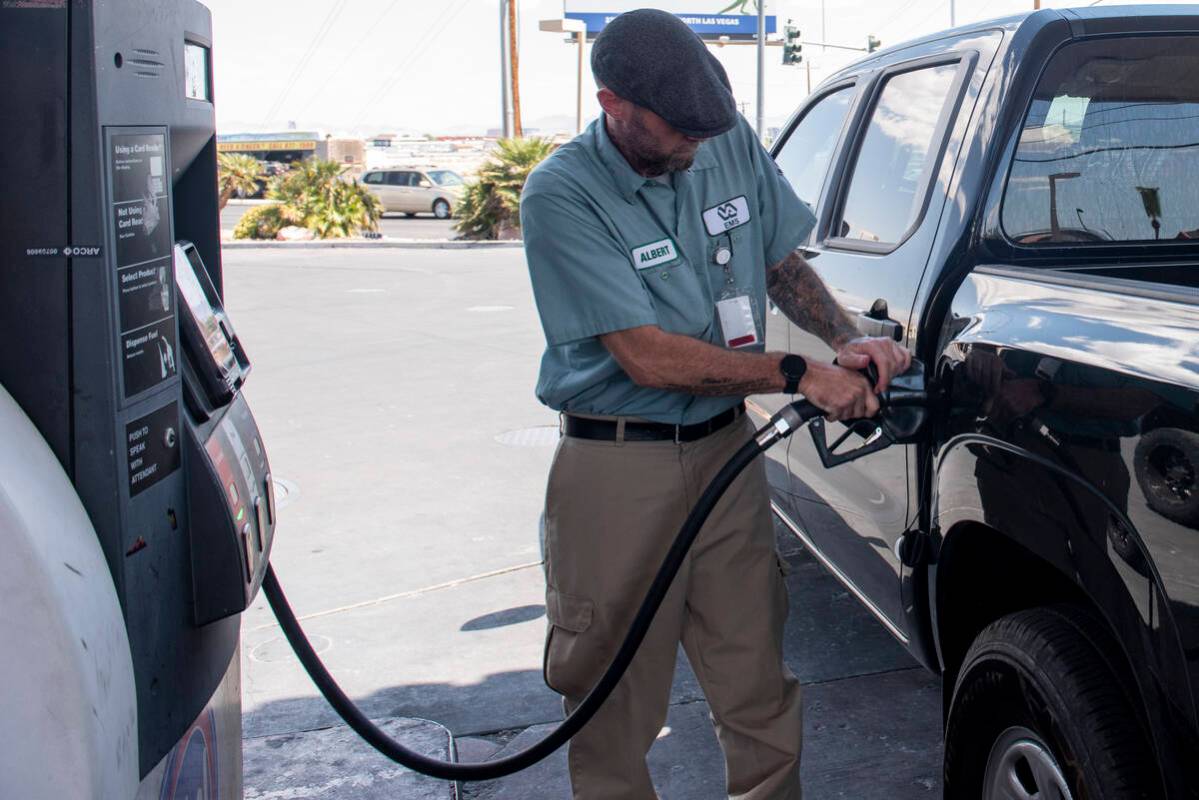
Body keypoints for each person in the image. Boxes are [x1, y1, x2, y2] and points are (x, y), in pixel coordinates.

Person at [519, 10, 910, 799]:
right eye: (677, 134)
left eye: (707, 132)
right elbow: (646, 355)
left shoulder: (720, 137)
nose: (697, 150)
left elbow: (778, 262)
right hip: (616, 465)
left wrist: (842, 339)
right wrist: (800, 373)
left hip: (725, 454)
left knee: (754, 673)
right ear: (613, 105)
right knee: (612, 695)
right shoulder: (562, 194)